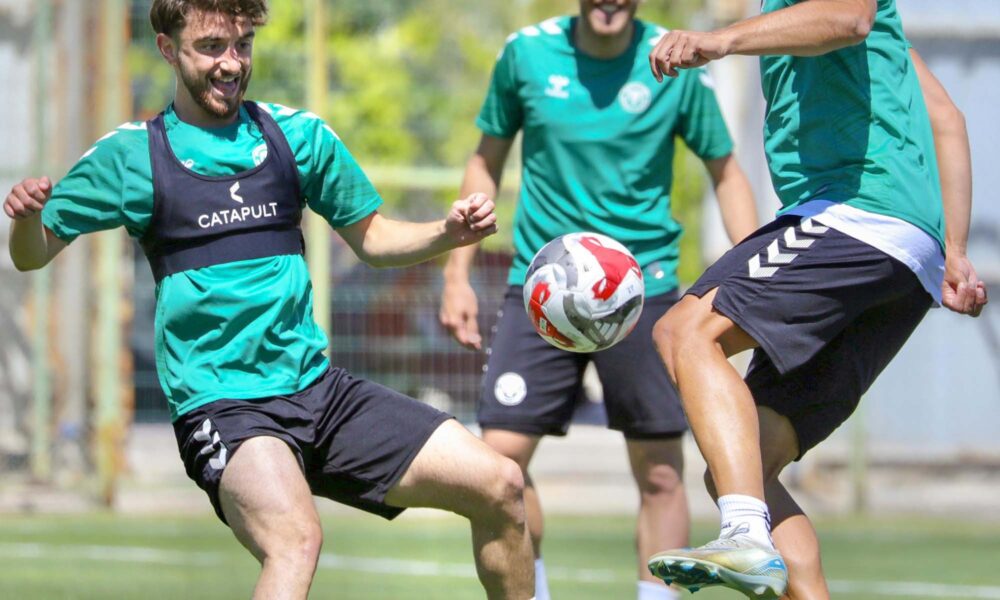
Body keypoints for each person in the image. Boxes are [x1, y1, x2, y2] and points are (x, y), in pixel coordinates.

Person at [3, 1, 535, 598]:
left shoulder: (297, 137)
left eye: (242, 45)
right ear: (167, 48)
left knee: (501, 483)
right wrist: (25, 219)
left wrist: (447, 232)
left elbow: (375, 239)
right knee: (295, 540)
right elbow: (33, 252)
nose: (231, 63)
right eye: (211, 47)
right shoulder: (134, 156)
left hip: (318, 392)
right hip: (223, 407)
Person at [644, 0, 989, 597]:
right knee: (745, 465)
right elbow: (946, 117)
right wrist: (953, 251)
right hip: (908, 258)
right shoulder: (879, 43)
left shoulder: (820, 15)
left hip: (856, 214)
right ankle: (755, 536)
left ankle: (744, 537)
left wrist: (722, 40)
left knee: (683, 332)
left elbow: (849, 18)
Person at [439, 2, 757, 598]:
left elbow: (726, 171)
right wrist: (457, 273)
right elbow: (486, 159)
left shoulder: (676, 59)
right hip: (542, 292)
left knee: (660, 471)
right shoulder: (526, 54)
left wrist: (751, 277)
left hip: (643, 294)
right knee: (497, 466)